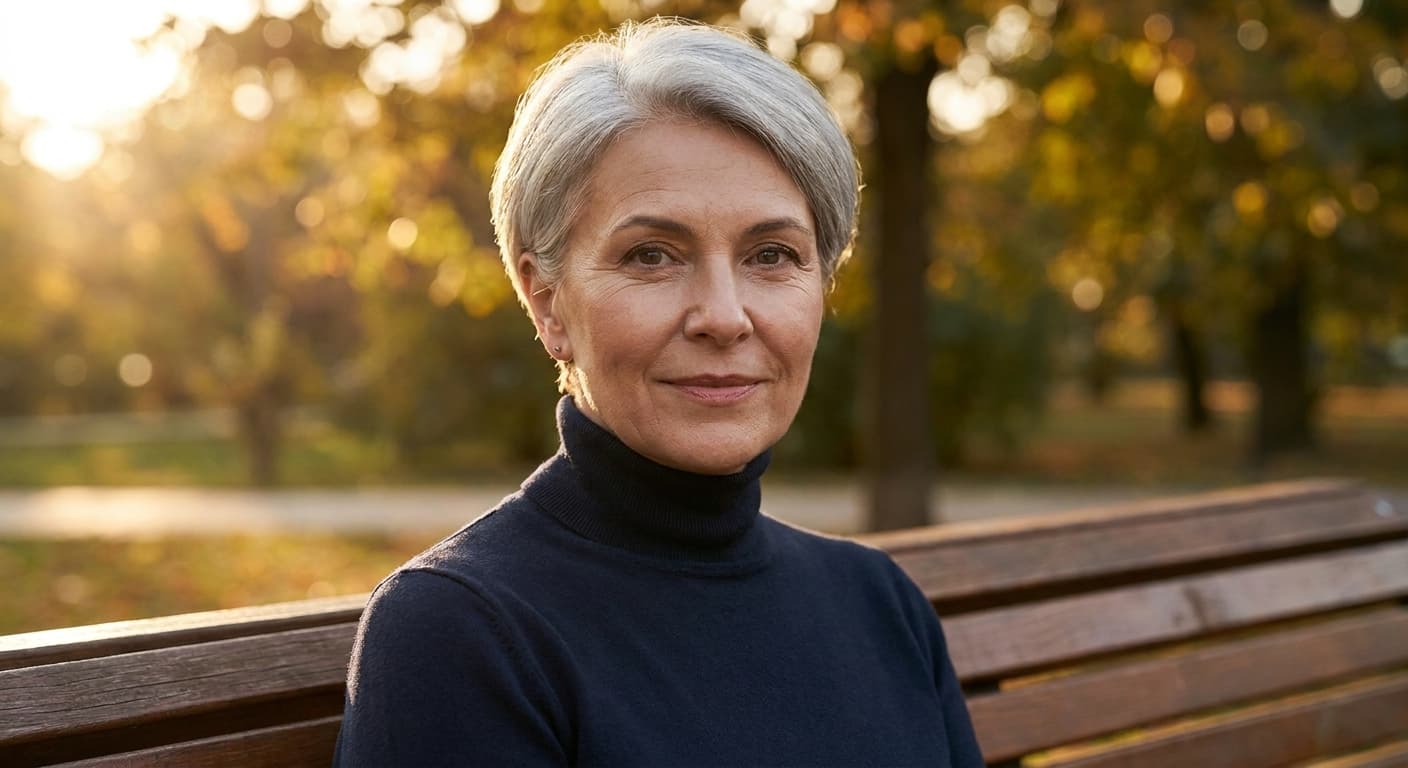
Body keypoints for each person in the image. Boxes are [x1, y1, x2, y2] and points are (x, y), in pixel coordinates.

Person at [334, 18, 983, 767]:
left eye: (772, 255)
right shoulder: (462, 630)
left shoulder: (879, 604)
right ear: (547, 301)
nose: (723, 317)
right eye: (652, 255)